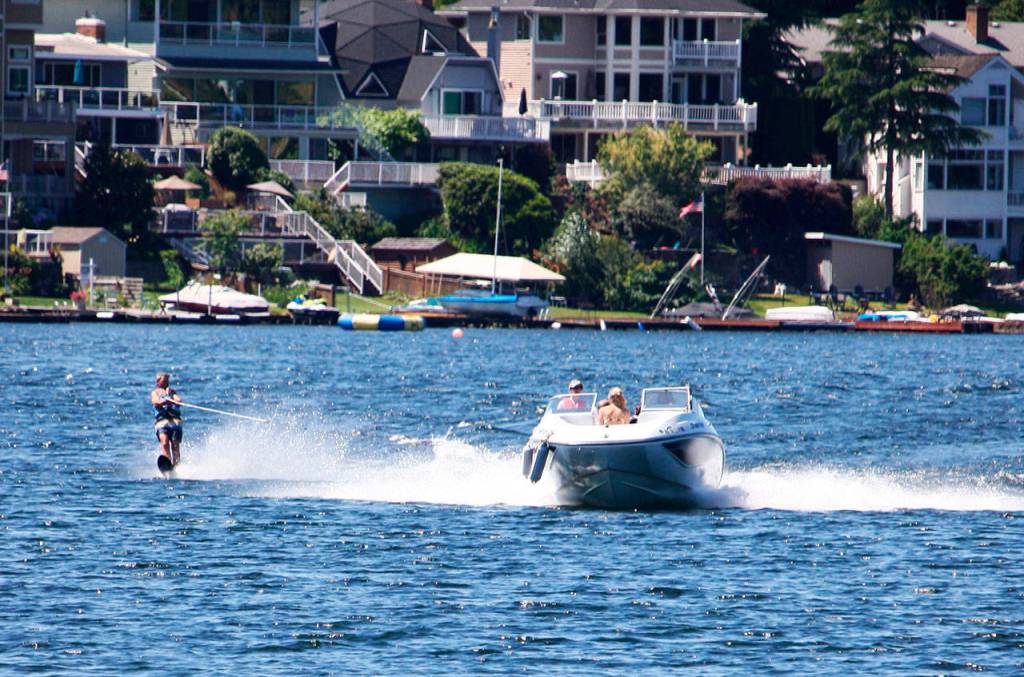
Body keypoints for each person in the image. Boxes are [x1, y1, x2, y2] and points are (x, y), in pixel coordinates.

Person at [151, 372, 183, 466]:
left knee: (175, 444)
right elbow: (155, 402)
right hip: (162, 422)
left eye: (167, 380)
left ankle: (176, 465)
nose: (166, 382)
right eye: (164, 380)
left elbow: (179, 400)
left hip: (175, 422)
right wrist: (164, 402)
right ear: (158, 381)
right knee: (164, 442)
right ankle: (167, 462)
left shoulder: (172, 392)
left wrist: (171, 398)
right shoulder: (155, 393)